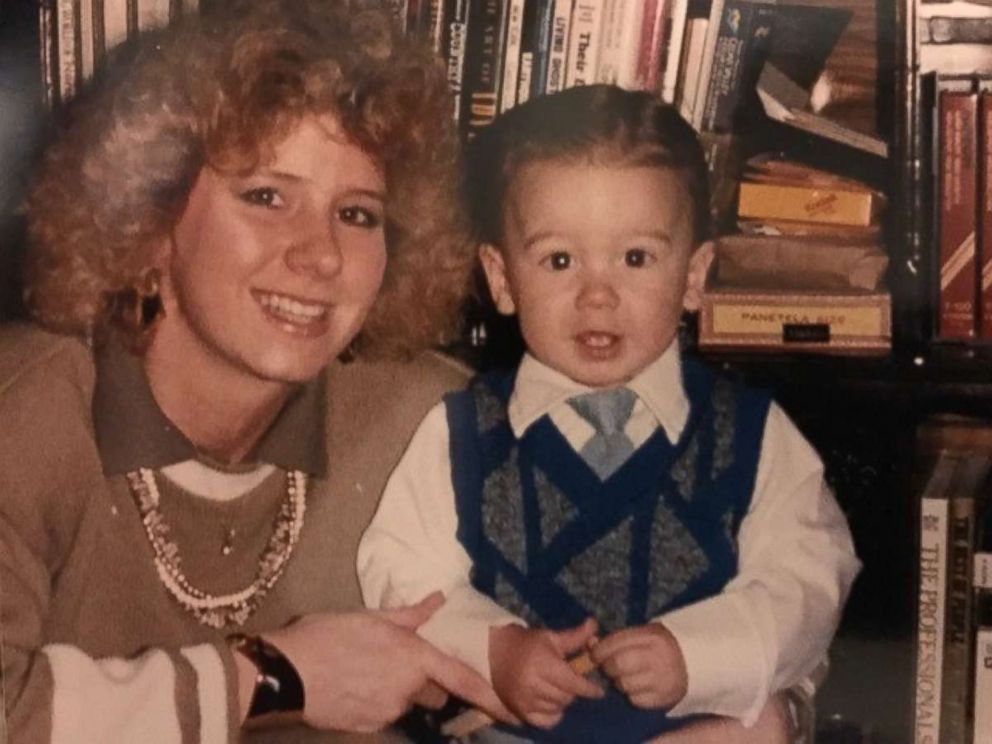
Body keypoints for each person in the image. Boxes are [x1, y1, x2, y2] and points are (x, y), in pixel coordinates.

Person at [0, 1, 515, 742]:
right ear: (150, 220)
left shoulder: (430, 419)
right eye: (267, 197)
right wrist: (272, 677)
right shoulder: (26, 413)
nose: (321, 255)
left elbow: (630, 632)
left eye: (359, 213)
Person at [358, 85, 862, 744]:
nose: (597, 294)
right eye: (560, 260)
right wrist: (495, 647)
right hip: (516, 732)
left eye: (636, 258)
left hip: (689, 728)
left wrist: (696, 653)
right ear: (503, 278)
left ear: (694, 275)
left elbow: (808, 581)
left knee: (761, 727)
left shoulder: (751, 435)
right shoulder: (463, 435)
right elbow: (404, 576)